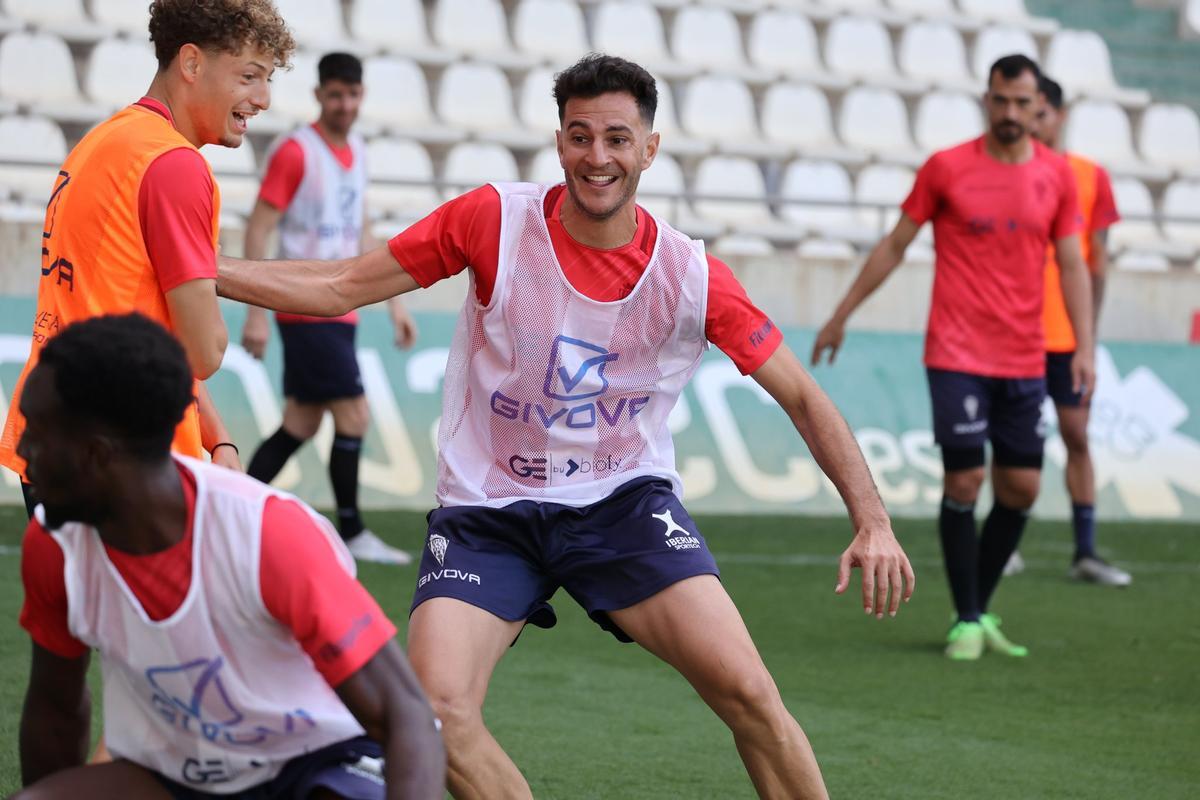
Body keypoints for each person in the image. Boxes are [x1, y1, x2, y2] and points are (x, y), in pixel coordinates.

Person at [216, 53, 915, 800]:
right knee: (432, 712)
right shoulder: (494, 220)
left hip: (624, 506)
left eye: (617, 138)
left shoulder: (689, 275)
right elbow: (340, 285)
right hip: (489, 512)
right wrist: (195, 265)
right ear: (559, 144)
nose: (597, 157)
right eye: (580, 137)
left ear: (650, 148)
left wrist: (871, 519)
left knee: (748, 692)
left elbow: (804, 397)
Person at [11, 313, 445, 800]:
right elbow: (56, 710)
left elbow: (406, 716)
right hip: (178, 775)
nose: (21, 449)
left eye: (38, 435)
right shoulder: (55, 544)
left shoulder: (267, 534)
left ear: (97, 454)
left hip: (315, 764)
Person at [812, 55, 1095, 662]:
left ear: (1039, 108)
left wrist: (1085, 347)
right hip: (958, 351)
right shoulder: (947, 168)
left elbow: (1073, 263)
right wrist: (841, 313)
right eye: (1001, 101)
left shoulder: (1057, 176)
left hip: (1026, 355)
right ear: (986, 100)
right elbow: (895, 244)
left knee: (1020, 487)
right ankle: (966, 616)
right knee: (965, 479)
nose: (1011, 113)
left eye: (1023, 103)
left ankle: (981, 605)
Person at [0, 0, 299, 513]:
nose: (264, 99)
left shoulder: (104, 141)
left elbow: (144, 323)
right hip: (124, 453)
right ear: (191, 63)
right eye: (250, 76)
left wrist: (218, 436)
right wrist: (216, 290)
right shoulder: (175, 166)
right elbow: (202, 352)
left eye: (268, 79)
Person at [239, 52, 417, 565]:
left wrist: (395, 302)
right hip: (305, 302)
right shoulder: (296, 151)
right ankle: (353, 530)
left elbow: (362, 232)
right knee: (354, 414)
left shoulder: (357, 151)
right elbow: (259, 225)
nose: (345, 104)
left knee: (301, 423)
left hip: (344, 303)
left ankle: (229, 509)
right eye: (335, 94)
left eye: (353, 94)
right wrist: (255, 310)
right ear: (319, 95)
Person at [1011, 74, 1129, 587]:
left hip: (1066, 338)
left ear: (1056, 116)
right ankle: (1007, 544)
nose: (1030, 123)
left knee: (1076, 434)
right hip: (1015, 335)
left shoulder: (1089, 176)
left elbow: (1096, 261)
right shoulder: (1009, 174)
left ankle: (1085, 550)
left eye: (1039, 113)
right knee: (1014, 443)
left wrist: (1089, 338)